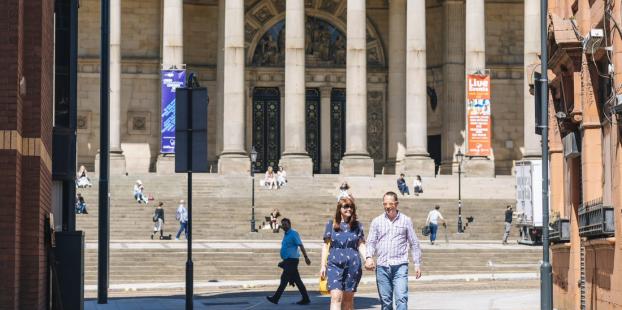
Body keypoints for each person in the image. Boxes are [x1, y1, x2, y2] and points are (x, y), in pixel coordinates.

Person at [365, 192, 422, 310]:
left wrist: (417, 264)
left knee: (401, 298)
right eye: (385, 203)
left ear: (396, 204)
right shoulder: (377, 221)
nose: (387, 206)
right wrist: (369, 257)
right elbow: (370, 242)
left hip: (400, 266)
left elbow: (414, 243)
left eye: (390, 203)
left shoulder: (406, 220)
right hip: (382, 266)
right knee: (386, 302)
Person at [320, 197, 367, 310]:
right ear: (339, 209)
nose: (349, 209)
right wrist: (323, 265)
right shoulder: (331, 224)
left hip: (353, 265)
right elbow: (326, 246)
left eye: (351, 207)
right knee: (336, 297)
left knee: (348, 300)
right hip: (334, 264)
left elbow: (361, 244)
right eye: (346, 206)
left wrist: (367, 259)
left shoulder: (357, 226)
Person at [266, 218, 311, 305]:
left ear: (289, 225)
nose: (284, 226)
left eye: (286, 224)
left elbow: (301, 245)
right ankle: (306, 298)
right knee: (296, 281)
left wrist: (306, 257)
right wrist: (279, 227)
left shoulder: (293, 234)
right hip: (288, 261)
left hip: (292, 261)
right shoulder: (286, 234)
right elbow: (279, 227)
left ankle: (276, 298)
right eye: (283, 224)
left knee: (284, 280)